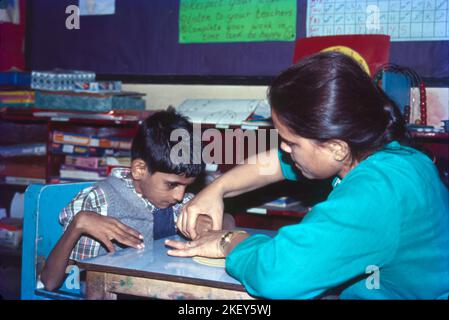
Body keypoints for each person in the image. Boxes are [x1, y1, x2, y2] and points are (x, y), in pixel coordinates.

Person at [166, 52, 449, 299]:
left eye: (291, 142)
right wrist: (217, 189)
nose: (284, 150)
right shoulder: (385, 153)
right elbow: (273, 164)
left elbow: (278, 276)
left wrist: (229, 241)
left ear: (336, 148)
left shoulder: (376, 191)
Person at [40, 109, 234, 291]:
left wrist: (209, 224)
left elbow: (229, 220)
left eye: (186, 186)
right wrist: (78, 224)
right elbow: (50, 282)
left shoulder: (177, 203)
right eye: (172, 184)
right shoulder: (98, 202)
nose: (179, 196)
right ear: (140, 169)